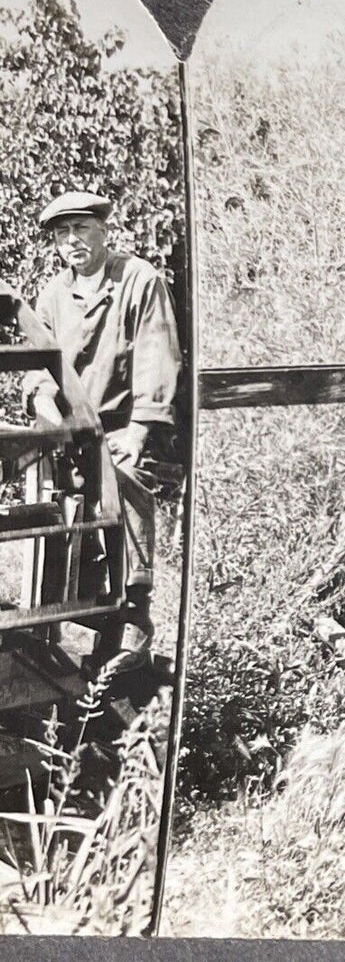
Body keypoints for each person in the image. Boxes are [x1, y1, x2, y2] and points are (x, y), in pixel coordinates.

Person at [23, 190, 182, 670]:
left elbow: (158, 354)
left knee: (122, 478)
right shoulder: (52, 295)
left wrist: (140, 427)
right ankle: (59, 629)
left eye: (82, 230)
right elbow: (37, 364)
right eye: (62, 233)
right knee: (54, 508)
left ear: (103, 232)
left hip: (128, 427)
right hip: (75, 433)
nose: (72, 241)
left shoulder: (138, 281)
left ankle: (135, 612)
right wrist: (41, 399)